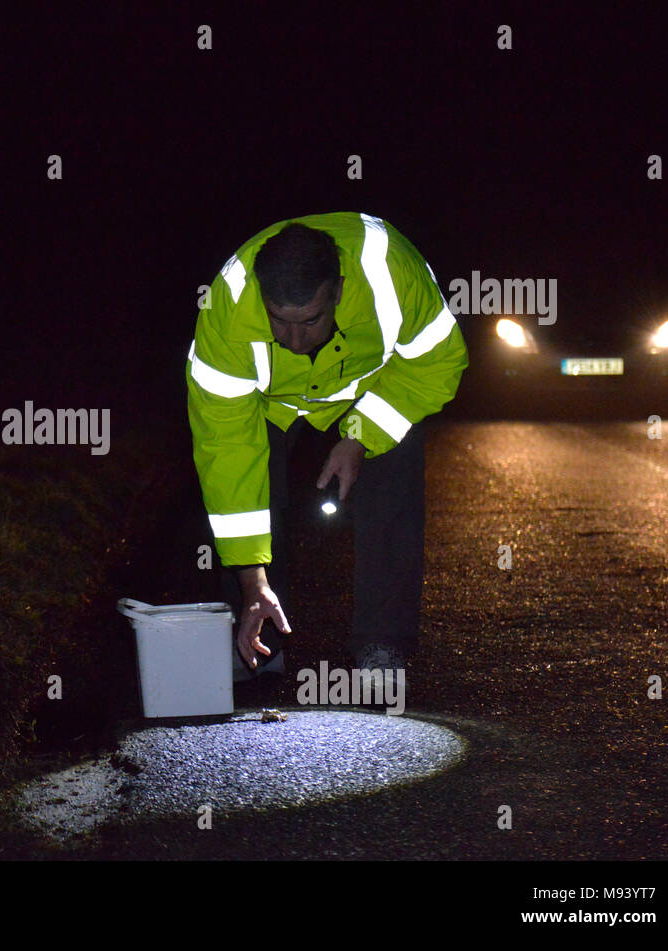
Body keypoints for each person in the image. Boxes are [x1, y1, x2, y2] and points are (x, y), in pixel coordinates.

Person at [185, 212, 468, 681]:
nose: (294, 340)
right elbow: (226, 454)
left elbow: (439, 362)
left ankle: (384, 644)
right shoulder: (225, 314)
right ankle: (258, 642)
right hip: (271, 403)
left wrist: (361, 435)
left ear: (337, 290)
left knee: (394, 478)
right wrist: (251, 578)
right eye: (279, 321)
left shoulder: (392, 272)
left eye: (311, 320)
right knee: (248, 503)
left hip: (368, 390)